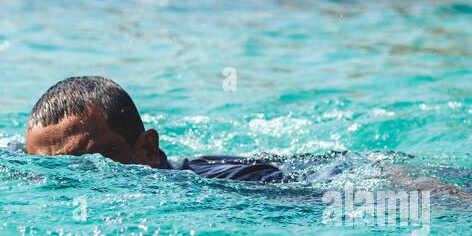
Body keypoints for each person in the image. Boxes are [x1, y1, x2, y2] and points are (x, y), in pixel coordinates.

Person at [24, 75, 283, 183]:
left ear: (147, 148)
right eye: (49, 169)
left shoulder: (251, 181)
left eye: (88, 163)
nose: (69, 184)